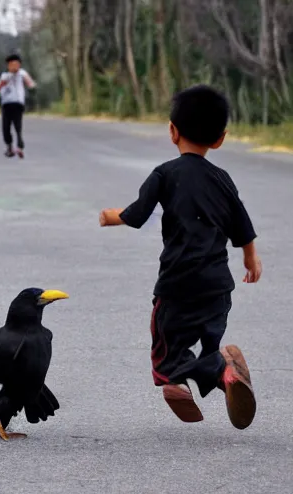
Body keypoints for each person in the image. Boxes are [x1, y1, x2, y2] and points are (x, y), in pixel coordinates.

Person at [99, 85, 262, 430]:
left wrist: (111, 216)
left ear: (172, 130)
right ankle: (224, 372)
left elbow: (137, 214)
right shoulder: (222, 178)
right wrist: (251, 259)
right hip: (218, 287)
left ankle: (180, 377)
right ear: (220, 139)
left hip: (178, 282)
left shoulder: (165, 173)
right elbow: (241, 223)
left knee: (165, 343)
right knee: (208, 339)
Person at [0, 53, 36, 158]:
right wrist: (3, 82)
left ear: (19, 65)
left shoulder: (22, 73)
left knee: (17, 126)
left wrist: (29, 83)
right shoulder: (4, 76)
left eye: (16, 64)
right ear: (8, 65)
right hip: (6, 104)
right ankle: (10, 147)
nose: (14, 67)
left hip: (17, 103)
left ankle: (19, 147)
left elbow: (31, 84)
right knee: (6, 127)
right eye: (12, 64)